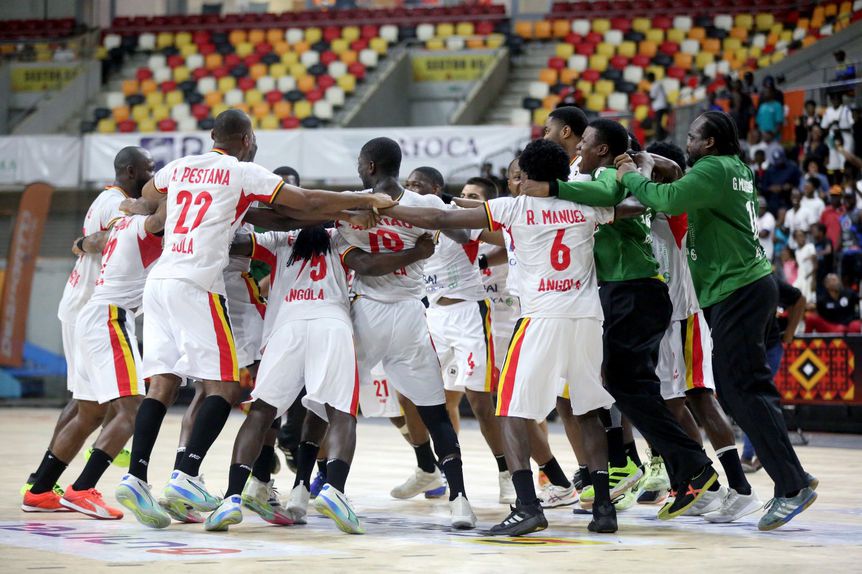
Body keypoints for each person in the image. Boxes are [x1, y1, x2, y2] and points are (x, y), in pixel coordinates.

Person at [115, 109, 396, 529]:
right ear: (246, 139)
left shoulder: (178, 166)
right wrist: (362, 199)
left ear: (213, 135)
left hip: (159, 283)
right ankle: (187, 474)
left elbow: (151, 204)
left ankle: (136, 477)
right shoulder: (242, 172)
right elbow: (305, 202)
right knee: (226, 384)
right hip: (197, 285)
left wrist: (132, 207)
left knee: (163, 383)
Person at [378, 138, 621, 535]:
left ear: (528, 178)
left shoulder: (515, 207)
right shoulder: (587, 204)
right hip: (586, 317)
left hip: (540, 316)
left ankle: (526, 505)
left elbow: (443, 221)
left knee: (509, 409)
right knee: (586, 410)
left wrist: (388, 207)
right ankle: (604, 508)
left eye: (520, 176)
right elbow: (623, 202)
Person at [615, 110, 817, 531]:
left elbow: (666, 198)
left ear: (708, 143)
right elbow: (676, 177)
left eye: (692, 136)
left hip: (737, 288)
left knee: (740, 388)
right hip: (746, 285)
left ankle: (791, 484)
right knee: (741, 387)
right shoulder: (735, 168)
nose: (687, 142)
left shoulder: (712, 169)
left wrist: (632, 173)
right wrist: (649, 160)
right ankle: (793, 475)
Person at [521, 119, 721, 524]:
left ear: (602, 150)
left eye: (587, 142)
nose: (579, 148)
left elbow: (610, 192)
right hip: (629, 292)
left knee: (620, 383)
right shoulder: (603, 174)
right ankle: (688, 468)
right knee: (634, 387)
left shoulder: (613, 175)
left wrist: (554, 188)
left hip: (633, 290)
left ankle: (688, 465)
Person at [337, 137, 477, 529]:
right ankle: (461, 500)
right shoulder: (428, 204)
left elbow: (363, 265)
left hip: (368, 311)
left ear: (368, 167)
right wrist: (422, 236)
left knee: (336, 404)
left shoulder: (353, 205)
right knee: (435, 414)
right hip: (414, 315)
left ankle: (318, 489)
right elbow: (461, 233)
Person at [23, 147, 154, 502]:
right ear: (130, 171)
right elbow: (109, 238)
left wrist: (81, 244)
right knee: (112, 404)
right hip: (94, 306)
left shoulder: (105, 199)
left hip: (83, 305)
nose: (154, 175)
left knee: (88, 403)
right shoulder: (117, 204)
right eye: (149, 169)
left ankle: (42, 481)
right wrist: (84, 243)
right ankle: (80, 484)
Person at [643, 141, 762, 522]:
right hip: (668, 319)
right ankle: (702, 485)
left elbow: (676, 174)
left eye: (656, 173)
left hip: (687, 316)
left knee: (695, 399)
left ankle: (738, 489)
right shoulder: (653, 207)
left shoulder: (679, 207)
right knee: (681, 403)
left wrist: (639, 161)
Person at [743, 277, 806, 472]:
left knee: (756, 398)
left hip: (768, 347)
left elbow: (799, 299)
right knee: (749, 399)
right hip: (745, 347)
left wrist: (789, 335)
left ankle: (750, 454)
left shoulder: (765, 278)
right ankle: (764, 454)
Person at [822, 92, 855, 175]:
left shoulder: (846, 110)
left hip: (846, 139)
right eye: (833, 99)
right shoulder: (828, 111)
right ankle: (835, 181)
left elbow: (853, 125)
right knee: (833, 161)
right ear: (831, 100)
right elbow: (823, 127)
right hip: (832, 138)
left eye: (837, 99)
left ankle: (846, 177)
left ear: (841, 100)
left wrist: (840, 129)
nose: (835, 101)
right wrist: (831, 125)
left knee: (844, 159)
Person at [793, 229, 817, 303]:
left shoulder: (810, 247)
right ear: (795, 239)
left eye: (803, 236)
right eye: (799, 236)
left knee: (809, 301)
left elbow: (815, 264)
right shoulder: (796, 251)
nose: (801, 238)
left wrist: (813, 279)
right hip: (800, 278)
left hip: (809, 278)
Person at [820, 185, 845, 253]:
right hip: (829, 249)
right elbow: (822, 230)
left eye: (836, 195)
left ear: (841, 196)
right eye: (832, 195)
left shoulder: (845, 210)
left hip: (844, 248)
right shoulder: (825, 211)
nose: (834, 197)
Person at [647, 72, 669, 140]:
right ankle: (663, 134)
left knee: (658, 122)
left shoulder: (654, 85)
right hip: (662, 105)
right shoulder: (658, 84)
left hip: (659, 106)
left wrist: (647, 97)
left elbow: (652, 97)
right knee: (658, 122)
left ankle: (661, 137)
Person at [757, 195, 776, 262]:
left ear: (765, 208)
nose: (760, 209)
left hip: (767, 253)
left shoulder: (769, 217)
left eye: (762, 207)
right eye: (758, 207)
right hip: (757, 254)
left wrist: (750, 231)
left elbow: (764, 234)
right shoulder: (754, 217)